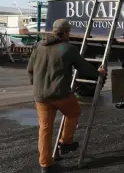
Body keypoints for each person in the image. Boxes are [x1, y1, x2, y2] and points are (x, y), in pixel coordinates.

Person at [27, 18, 105, 173]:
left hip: (40, 96)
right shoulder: (67, 49)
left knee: (45, 129)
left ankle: (46, 165)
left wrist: (37, 86)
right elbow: (84, 68)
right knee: (74, 112)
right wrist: (98, 73)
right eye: (69, 32)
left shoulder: (38, 46)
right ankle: (66, 142)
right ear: (66, 33)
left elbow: (30, 70)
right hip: (60, 95)